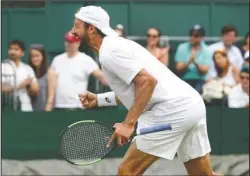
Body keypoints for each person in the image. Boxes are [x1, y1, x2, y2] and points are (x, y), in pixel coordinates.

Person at [72, 6, 222, 176]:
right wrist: (100, 99)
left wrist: (128, 124)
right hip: (191, 104)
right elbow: (136, 89)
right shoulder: (116, 46)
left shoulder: (109, 52)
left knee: (127, 172)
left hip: (171, 110)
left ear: (91, 28)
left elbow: (147, 82)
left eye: (77, 26)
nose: (72, 32)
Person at [45, 31, 108, 111]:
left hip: (78, 107)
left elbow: (101, 77)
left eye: (71, 42)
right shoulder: (57, 60)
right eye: (67, 41)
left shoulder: (85, 59)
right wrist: (49, 106)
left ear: (78, 43)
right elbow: (51, 85)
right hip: (59, 107)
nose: (68, 44)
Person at [1, 40, 39, 111]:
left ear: (22, 53)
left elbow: (36, 90)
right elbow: (2, 88)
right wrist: (20, 85)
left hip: (26, 108)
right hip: (7, 108)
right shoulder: (3, 66)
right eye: (10, 49)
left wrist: (30, 86)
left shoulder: (27, 68)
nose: (12, 51)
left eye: (16, 49)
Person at [175, 24, 211, 93]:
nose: (192, 37)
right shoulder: (182, 47)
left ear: (202, 37)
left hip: (200, 80)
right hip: (184, 79)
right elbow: (178, 69)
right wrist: (188, 62)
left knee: (198, 91)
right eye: (191, 34)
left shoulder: (207, 49)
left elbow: (204, 72)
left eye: (196, 36)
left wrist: (195, 62)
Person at [28, 44, 50, 111]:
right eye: (32, 56)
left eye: (37, 56)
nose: (35, 59)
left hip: (45, 111)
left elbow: (51, 96)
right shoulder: (28, 72)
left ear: (43, 56)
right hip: (30, 111)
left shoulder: (49, 73)